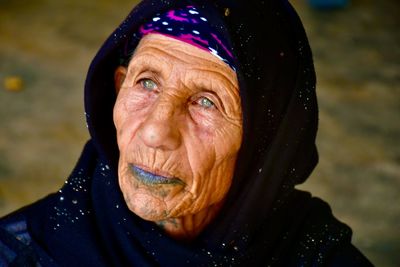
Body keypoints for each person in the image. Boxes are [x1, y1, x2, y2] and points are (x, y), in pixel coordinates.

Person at [0, 0, 373, 266]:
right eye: (146, 83)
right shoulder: (27, 252)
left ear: (265, 143)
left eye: (207, 102)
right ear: (118, 87)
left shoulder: (315, 255)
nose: (154, 133)